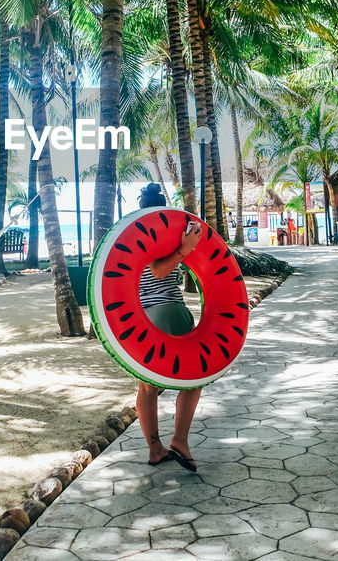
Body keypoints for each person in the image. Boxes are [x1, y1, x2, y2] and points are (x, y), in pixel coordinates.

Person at [134, 183, 202, 471]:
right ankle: (179, 441)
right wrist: (184, 249)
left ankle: (155, 449)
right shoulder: (160, 231)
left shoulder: (134, 233)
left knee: (147, 388)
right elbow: (159, 270)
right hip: (168, 312)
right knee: (193, 378)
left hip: (142, 318)